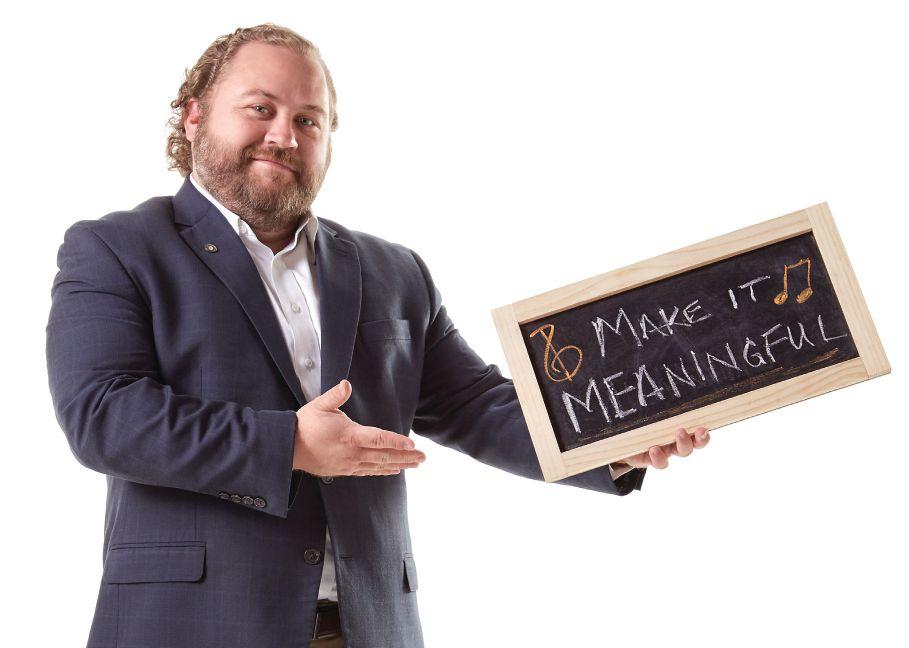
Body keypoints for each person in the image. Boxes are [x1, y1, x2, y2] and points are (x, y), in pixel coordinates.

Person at [45, 23, 710, 648]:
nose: (284, 135)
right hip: (192, 627)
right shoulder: (117, 248)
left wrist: (608, 438)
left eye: (309, 120)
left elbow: (474, 404)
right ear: (194, 116)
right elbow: (103, 416)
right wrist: (290, 445)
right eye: (260, 108)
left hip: (371, 627)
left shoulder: (392, 270)